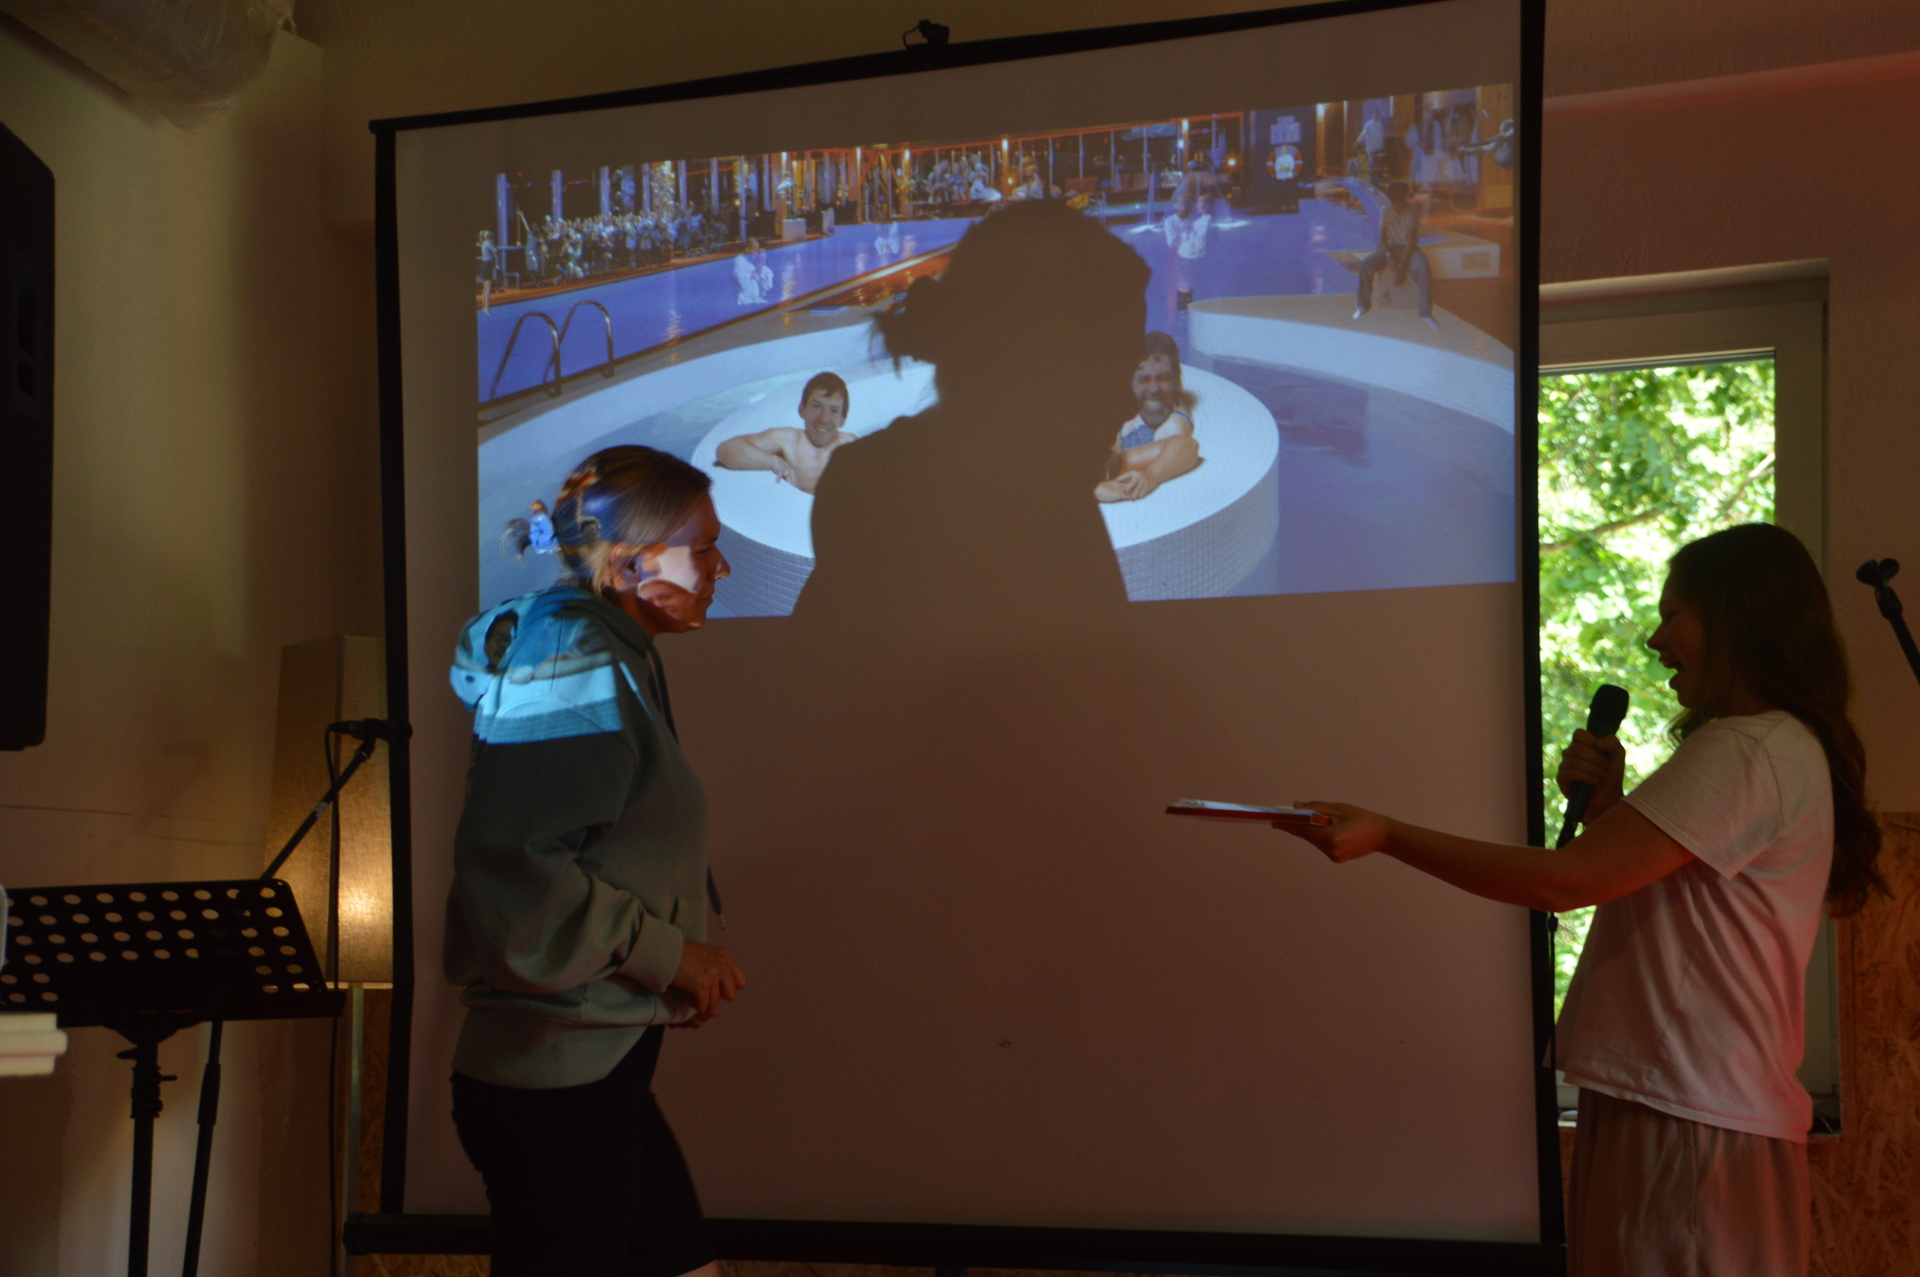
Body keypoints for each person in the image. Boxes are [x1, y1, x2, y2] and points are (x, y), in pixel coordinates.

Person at [1278, 523, 1887, 1277]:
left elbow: (1565, 882)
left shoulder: (1749, 748)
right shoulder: (1771, 745)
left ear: (1740, 611)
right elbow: (1678, 902)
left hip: (1690, 1116)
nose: (1656, 641)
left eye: (1674, 615)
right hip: (1688, 1107)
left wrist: (1388, 834)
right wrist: (1609, 813)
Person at [446, 445, 748, 1277]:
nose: (722, 567)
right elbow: (517, 871)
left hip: (594, 1067)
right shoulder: (572, 658)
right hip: (555, 1088)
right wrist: (669, 955)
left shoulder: (611, 651)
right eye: (705, 548)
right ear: (629, 563)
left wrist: (672, 967)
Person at [1096, 332, 1202, 503]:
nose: (1154, 389)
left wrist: (1150, 476)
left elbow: (1188, 445)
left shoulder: (1171, 426)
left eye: (1164, 378)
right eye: (1144, 379)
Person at [714, 372, 857, 494]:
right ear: (802, 410)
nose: (824, 418)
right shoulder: (789, 440)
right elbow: (726, 450)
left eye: (833, 411)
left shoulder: (852, 446)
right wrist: (773, 462)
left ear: (842, 420)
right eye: (816, 406)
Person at [1353, 180, 1438, 330]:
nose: (1395, 207)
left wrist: (1401, 270)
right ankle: (1363, 305)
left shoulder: (1413, 211)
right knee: (1366, 265)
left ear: (1405, 200)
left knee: (1423, 266)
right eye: (1393, 203)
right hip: (1390, 248)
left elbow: (1411, 242)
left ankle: (1426, 313)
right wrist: (1388, 256)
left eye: (1398, 203)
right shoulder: (1387, 211)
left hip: (1408, 249)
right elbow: (1383, 237)